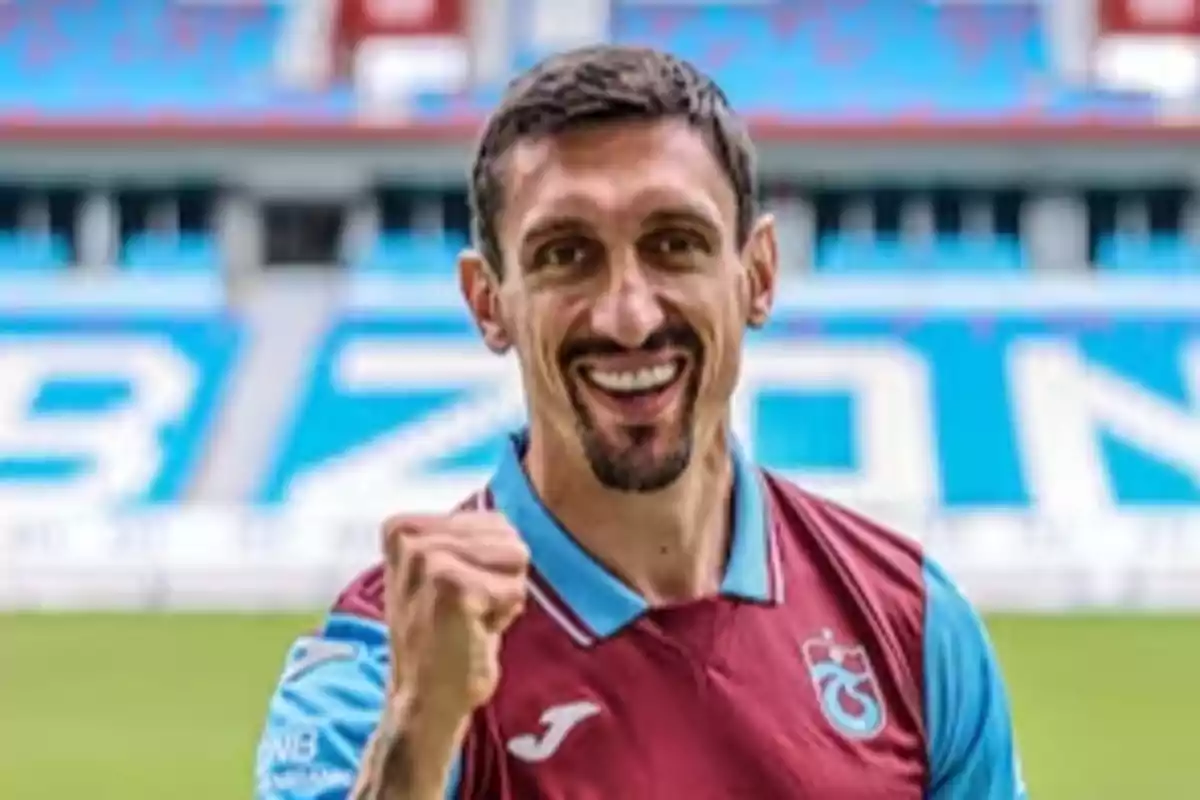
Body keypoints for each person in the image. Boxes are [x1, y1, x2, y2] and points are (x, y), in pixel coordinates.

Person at [254, 45, 1028, 800]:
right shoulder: (386, 661)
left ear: (758, 275)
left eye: (674, 245)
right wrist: (420, 729)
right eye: (566, 254)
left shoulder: (912, 625)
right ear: (489, 304)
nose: (629, 315)